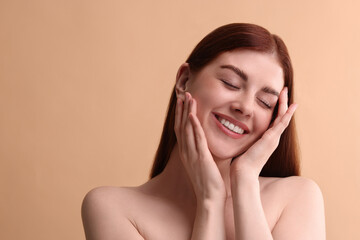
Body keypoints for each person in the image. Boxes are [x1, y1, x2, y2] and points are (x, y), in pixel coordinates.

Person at [81, 23, 326, 240]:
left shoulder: (297, 198)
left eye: (265, 102)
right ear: (184, 81)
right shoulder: (112, 208)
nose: (245, 107)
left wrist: (245, 183)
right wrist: (210, 200)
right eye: (230, 83)